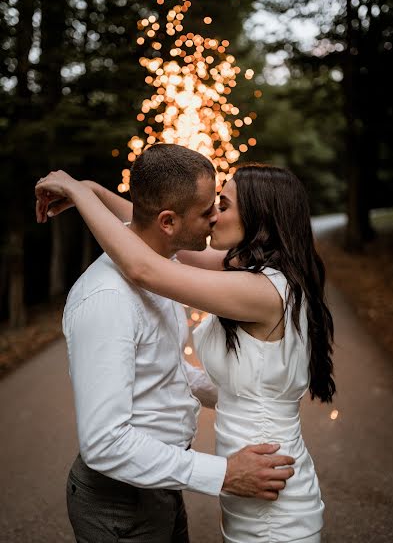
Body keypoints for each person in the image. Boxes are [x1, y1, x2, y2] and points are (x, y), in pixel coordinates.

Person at [35, 144, 295, 543]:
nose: (215, 218)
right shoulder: (108, 300)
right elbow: (105, 443)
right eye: (208, 209)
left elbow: (164, 367)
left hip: (161, 484)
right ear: (169, 222)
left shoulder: (166, 262)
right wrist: (222, 473)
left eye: (220, 205)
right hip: (120, 506)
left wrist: (243, 395)